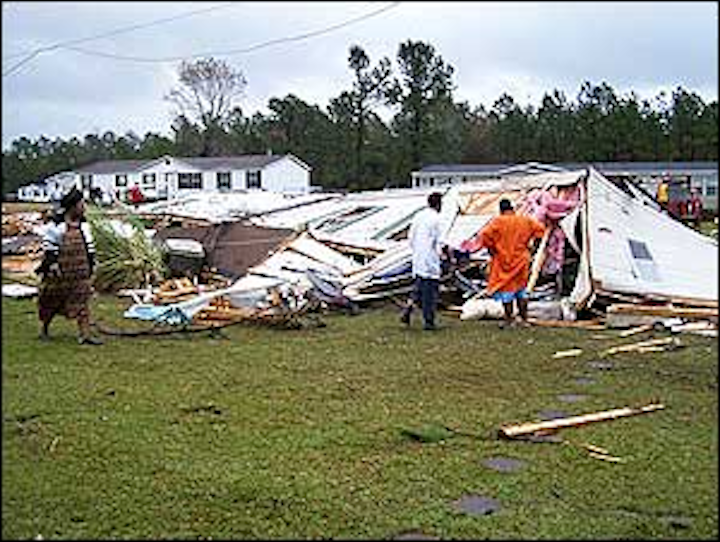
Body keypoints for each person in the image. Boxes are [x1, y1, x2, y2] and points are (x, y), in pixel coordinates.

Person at [462, 197, 545, 328]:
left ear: (501, 209)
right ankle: (524, 320)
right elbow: (540, 230)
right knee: (522, 291)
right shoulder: (525, 220)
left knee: (507, 293)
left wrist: (492, 249)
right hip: (522, 260)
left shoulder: (498, 222)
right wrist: (531, 247)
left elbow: (484, 236)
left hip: (504, 261)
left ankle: (509, 320)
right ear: (512, 208)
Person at [36, 187, 103, 345]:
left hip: (80, 271)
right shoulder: (56, 226)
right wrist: (52, 266)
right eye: (81, 204)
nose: (83, 207)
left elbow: (90, 248)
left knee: (82, 301)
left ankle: (85, 335)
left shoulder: (84, 225)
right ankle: (44, 328)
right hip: (60, 272)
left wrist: (92, 265)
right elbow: (49, 248)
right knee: (50, 301)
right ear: (72, 206)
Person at [400, 192, 448, 331]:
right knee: (429, 294)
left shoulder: (419, 216)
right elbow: (439, 242)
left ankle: (408, 310)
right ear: (438, 204)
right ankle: (429, 322)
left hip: (418, 258)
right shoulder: (437, 219)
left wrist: (416, 251)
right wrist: (443, 256)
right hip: (430, 260)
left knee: (418, 288)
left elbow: (411, 237)